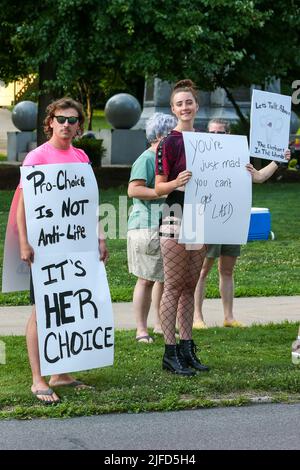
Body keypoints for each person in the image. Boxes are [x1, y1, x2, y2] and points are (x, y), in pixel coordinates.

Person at [16, 97, 109, 404]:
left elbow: (89, 203)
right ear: (50, 122)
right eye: (61, 119)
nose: (67, 125)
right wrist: (25, 242)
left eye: (73, 120)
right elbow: (23, 204)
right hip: (45, 248)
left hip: (77, 246)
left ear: (78, 125)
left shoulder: (81, 157)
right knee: (43, 310)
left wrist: (100, 236)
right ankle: (38, 379)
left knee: (69, 308)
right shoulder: (36, 158)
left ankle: (62, 374)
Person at [193, 118, 290, 329]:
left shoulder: (239, 156)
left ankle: (229, 317)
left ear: (229, 135)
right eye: (213, 133)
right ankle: (197, 318)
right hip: (208, 220)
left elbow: (258, 177)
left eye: (221, 133)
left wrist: (278, 161)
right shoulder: (199, 155)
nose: (217, 137)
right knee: (201, 270)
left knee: (227, 270)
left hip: (232, 219)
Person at [155, 79, 209, 376]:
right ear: (173, 109)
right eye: (180, 103)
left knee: (191, 285)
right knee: (173, 286)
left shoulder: (207, 143)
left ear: (196, 106)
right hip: (175, 215)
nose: (185, 107)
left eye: (189, 102)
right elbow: (159, 187)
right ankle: (169, 351)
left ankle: (188, 348)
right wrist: (177, 182)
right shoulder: (169, 142)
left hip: (201, 217)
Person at [127, 112, 177, 343]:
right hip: (145, 226)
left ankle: (159, 325)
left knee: (163, 278)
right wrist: (163, 191)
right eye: (170, 135)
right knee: (146, 279)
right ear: (157, 135)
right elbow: (134, 190)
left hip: (166, 224)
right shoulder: (147, 159)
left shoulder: (166, 160)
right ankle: (141, 330)